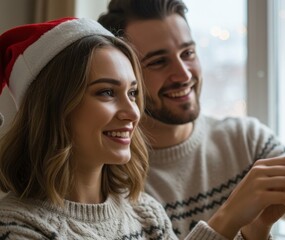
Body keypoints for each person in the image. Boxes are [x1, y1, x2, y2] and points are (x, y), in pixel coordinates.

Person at [98, 0, 285, 239]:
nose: (183, 73)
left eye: (187, 53)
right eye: (158, 61)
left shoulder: (246, 141)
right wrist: (230, 217)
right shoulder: (109, 176)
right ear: (123, 73)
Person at [0, 17, 255, 239]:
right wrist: (225, 221)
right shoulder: (15, 226)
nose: (133, 112)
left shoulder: (145, 212)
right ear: (52, 107)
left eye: (132, 93)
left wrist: (256, 229)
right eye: (107, 92)